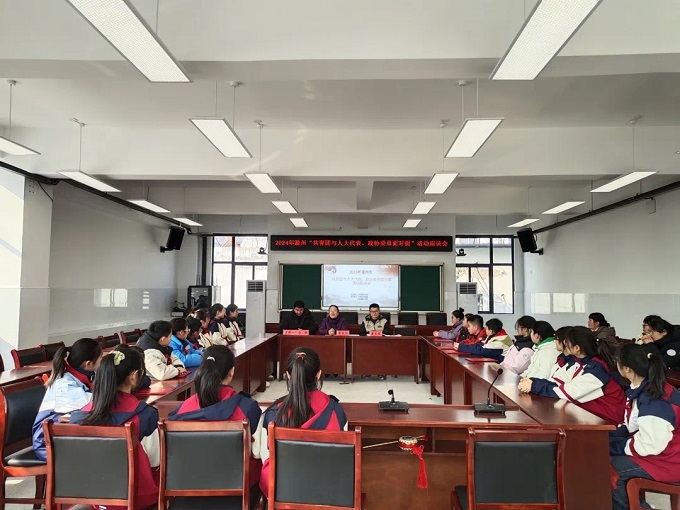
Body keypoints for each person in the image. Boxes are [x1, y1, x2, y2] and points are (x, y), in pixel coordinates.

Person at [70, 346, 159, 510]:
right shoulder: (146, 416)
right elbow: (155, 462)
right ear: (134, 376)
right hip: (137, 498)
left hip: (94, 496)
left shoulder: (77, 418)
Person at [253, 347, 347, 497]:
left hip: (282, 493)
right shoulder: (336, 411)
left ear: (289, 375)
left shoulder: (273, 415)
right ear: (319, 374)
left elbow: (258, 453)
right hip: (327, 493)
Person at [168, 345, 262, 488]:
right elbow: (255, 450)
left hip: (188, 483)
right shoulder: (247, 408)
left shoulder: (181, 411)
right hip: (236, 483)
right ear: (232, 372)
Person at [609, 344, 680, 510]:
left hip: (670, 460)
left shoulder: (654, 401)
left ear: (627, 368)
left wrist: (615, 446)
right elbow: (633, 427)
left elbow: (649, 444)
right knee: (603, 455)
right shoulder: (645, 388)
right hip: (663, 453)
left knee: (608, 470)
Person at [519, 326, 625, 425]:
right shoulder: (578, 362)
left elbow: (568, 393)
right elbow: (559, 383)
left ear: (577, 348)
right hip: (586, 414)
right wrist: (533, 382)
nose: (564, 343)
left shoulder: (596, 369)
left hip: (606, 421)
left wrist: (534, 386)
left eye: (567, 341)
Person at [32, 338, 103, 461]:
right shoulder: (65, 385)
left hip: (63, 436)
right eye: (101, 358)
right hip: (47, 443)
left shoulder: (82, 376)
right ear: (88, 364)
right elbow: (98, 402)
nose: (103, 361)